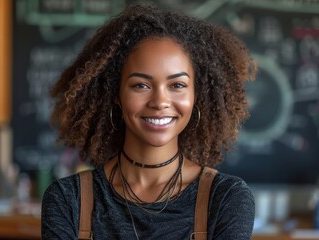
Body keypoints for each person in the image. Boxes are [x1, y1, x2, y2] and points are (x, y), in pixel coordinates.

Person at [42, 4, 256, 240]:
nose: (160, 101)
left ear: (197, 96)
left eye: (177, 85)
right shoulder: (68, 199)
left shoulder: (225, 198)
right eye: (141, 85)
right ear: (116, 94)